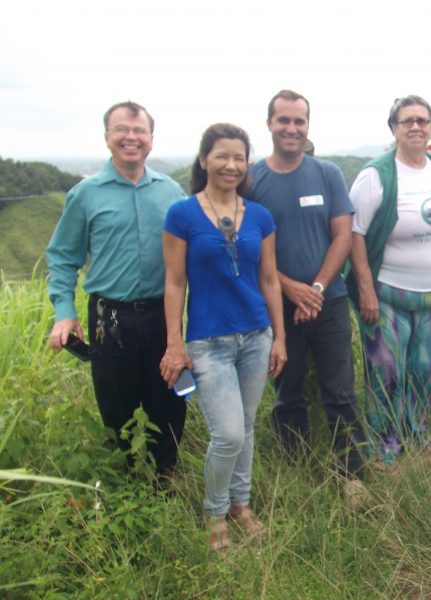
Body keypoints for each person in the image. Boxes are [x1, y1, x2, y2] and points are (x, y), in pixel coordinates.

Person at [160, 123, 287, 552]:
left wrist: (280, 338)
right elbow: (175, 283)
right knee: (229, 433)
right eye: (222, 156)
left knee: (246, 428)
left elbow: (269, 280)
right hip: (207, 341)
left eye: (239, 157)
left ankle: (241, 505)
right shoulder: (182, 214)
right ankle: (214, 512)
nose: (231, 165)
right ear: (204, 160)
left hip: (256, 336)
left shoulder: (260, 216)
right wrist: (174, 342)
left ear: (246, 163)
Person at [46, 101, 187, 478]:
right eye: (122, 129)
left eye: (140, 130)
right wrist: (64, 312)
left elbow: (191, 256)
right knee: (115, 401)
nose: (131, 137)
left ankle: (165, 475)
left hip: (163, 313)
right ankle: (124, 476)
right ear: (107, 136)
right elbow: (62, 257)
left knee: (170, 395)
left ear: (151, 140)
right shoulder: (85, 194)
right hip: (110, 316)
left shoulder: (171, 191)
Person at [248, 90, 368, 505]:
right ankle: (296, 472)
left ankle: (352, 475)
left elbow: (342, 235)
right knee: (287, 394)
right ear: (269, 124)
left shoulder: (327, 173)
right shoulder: (251, 179)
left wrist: (314, 288)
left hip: (328, 301)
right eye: (284, 120)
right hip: (276, 306)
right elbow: (247, 247)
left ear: (307, 126)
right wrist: (290, 288)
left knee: (341, 391)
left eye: (299, 121)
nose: (291, 128)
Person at [347, 95, 431, 465]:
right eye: (407, 121)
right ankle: (385, 444)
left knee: (426, 369)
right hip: (387, 295)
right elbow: (355, 234)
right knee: (386, 372)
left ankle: (415, 430)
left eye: (422, 120)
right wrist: (365, 290)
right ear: (394, 128)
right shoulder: (376, 175)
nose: (416, 126)